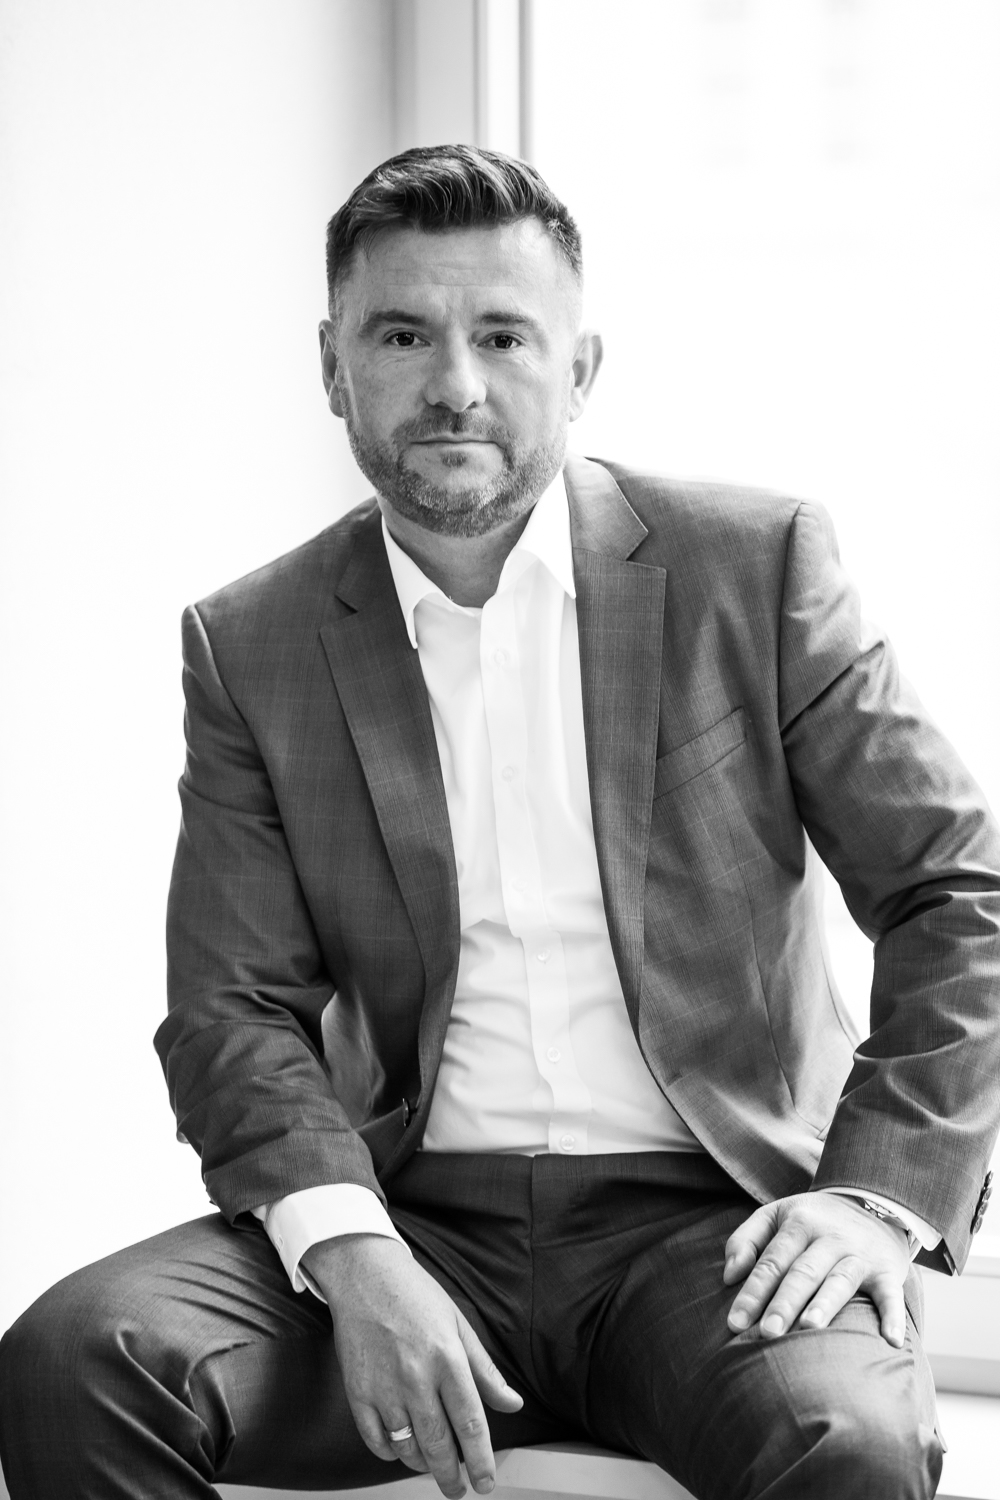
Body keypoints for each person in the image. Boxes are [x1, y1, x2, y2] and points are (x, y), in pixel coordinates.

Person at [1, 144, 999, 1500]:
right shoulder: (253, 643)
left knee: (850, 1444)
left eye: (505, 336)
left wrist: (880, 1195)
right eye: (402, 335)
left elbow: (958, 889)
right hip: (414, 1221)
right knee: (76, 1361)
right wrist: (355, 1254)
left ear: (579, 369)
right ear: (332, 365)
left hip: (716, 1226)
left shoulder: (752, 568)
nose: (455, 385)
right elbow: (231, 1007)